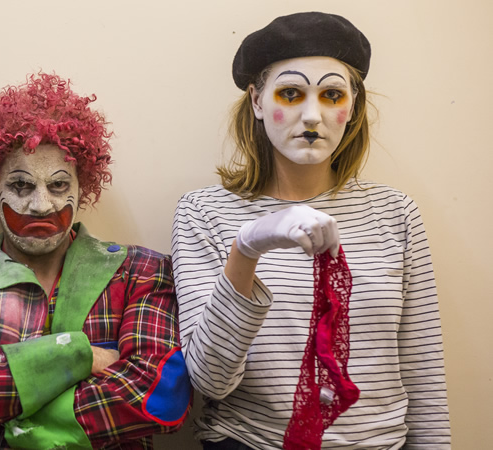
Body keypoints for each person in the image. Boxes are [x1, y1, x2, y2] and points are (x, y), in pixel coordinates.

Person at [171, 12, 451, 449]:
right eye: (291, 92)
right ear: (258, 101)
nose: (312, 115)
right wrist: (247, 248)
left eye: (332, 94)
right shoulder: (204, 212)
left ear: (352, 106)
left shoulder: (396, 213)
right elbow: (209, 382)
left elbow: (424, 375)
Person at [0, 73, 190, 449]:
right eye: (21, 186)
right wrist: (82, 356)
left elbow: (160, 397)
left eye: (58, 185)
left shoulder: (139, 272)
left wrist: (6, 407)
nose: (41, 205)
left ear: (81, 185)